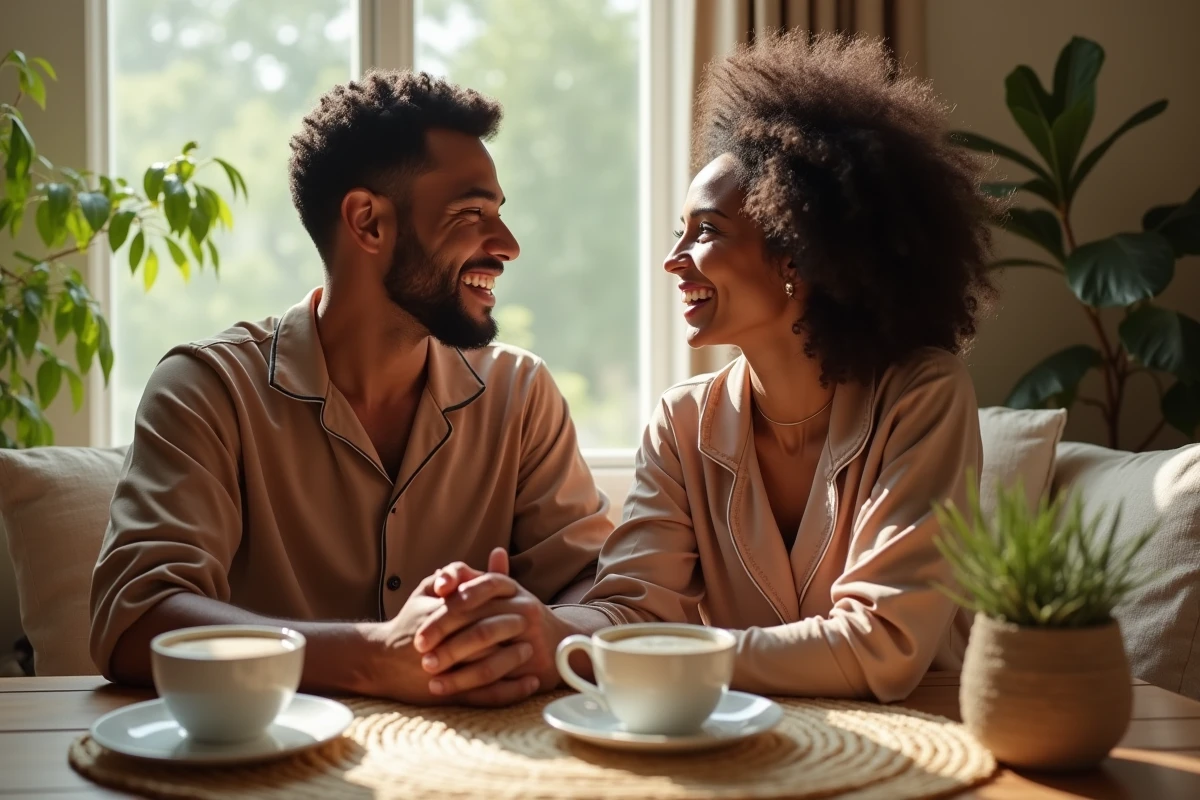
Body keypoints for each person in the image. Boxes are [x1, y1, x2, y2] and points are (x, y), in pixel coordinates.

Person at [409, 31, 996, 704]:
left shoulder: (922, 396)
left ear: (797, 254)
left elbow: (882, 645)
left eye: (707, 232)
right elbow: (632, 611)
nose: (674, 259)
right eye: (678, 232)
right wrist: (532, 625)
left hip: (924, 746)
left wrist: (656, 656)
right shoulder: (684, 420)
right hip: (751, 745)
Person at [88, 70, 612, 707]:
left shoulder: (521, 393)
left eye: (499, 214)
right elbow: (136, 620)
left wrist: (543, 630)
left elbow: (600, 591)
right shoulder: (208, 390)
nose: (507, 245)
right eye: (472, 213)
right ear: (368, 223)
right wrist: (375, 656)